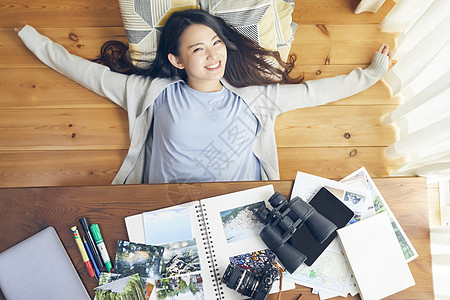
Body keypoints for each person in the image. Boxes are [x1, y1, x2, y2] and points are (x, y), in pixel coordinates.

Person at [16, 9, 392, 185]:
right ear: (177, 60)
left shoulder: (256, 98)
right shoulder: (152, 93)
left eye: (215, 43)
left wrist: (372, 74)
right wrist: (31, 37)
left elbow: (316, 93)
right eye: (198, 50)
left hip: (237, 211)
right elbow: (87, 73)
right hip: (163, 209)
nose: (214, 55)